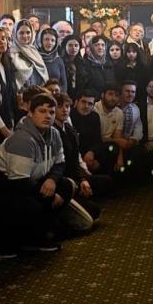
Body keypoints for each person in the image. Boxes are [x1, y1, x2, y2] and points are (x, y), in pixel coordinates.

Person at [0, 93, 72, 257]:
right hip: (4, 189)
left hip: (32, 181)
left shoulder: (54, 133)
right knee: (32, 205)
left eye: (51, 112)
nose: (47, 116)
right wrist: (50, 196)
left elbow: (60, 163)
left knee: (66, 185)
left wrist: (52, 180)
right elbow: (19, 183)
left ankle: (37, 237)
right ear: (30, 113)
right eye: (42, 111)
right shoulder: (22, 140)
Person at [53, 92, 109, 221]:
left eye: (67, 106)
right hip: (63, 180)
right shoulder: (52, 131)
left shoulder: (69, 129)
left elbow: (74, 160)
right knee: (93, 212)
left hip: (75, 176)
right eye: (60, 106)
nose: (64, 110)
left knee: (106, 182)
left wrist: (83, 179)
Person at [94, 86, 126, 174]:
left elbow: (118, 139)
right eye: (110, 94)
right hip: (93, 145)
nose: (113, 98)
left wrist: (120, 158)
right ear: (102, 95)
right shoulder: (93, 109)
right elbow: (95, 138)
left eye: (116, 95)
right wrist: (113, 140)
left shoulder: (119, 113)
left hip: (108, 146)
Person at [8, 20, 49, 90]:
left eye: (28, 32)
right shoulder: (10, 53)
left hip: (39, 91)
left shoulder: (34, 52)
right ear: (15, 34)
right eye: (21, 33)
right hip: (20, 93)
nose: (25, 36)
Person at [37, 28, 68, 94]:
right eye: (46, 39)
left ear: (56, 42)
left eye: (52, 40)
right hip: (39, 96)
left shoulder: (58, 60)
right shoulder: (35, 58)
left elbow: (64, 84)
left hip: (56, 95)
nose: (49, 43)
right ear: (41, 41)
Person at [59, 34, 83, 99]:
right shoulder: (60, 62)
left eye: (76, 45)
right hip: (63, 95)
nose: (73, 48)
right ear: (65, 46)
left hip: (79, 96)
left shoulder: (83, 63)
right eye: (70, 45)